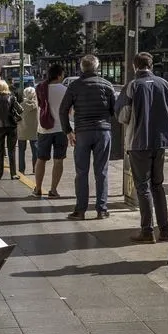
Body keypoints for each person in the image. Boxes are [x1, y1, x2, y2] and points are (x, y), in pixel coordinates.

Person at [115, 52, 168, 243]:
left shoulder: (132, 86)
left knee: (143, 187)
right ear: (151, 65)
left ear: (135, 66)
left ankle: (147, 230)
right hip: (160, 142)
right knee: (157, 185)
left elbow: (122, 116)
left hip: (139, 143)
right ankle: (165, 230)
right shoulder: (164, 84)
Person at [59, 55, 116, 220]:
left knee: (81, 172)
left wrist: (68, 131)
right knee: (102, 171)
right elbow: (114, 109)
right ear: (96, 68)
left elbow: (63, 110)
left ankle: (80, 210)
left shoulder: (75, 86)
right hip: (103, 131)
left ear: (81, 68)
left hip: (82, 132)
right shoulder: (107, 85)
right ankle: (102, 209)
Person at [34, 64, 68, 199]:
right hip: (61, 129)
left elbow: (39, 106)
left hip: (44, 129)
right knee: (58, 160)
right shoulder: (65, 90)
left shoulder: (40, 88)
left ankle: (38, 189)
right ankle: (53, 190)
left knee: (41, 159)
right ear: (59, 75)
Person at [17, 86, 39, 175]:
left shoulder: (21, 105)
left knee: (21, 151)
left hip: (22, 129)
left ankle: (21, 169)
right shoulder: (37, 105)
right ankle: (35, 169)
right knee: (35, 151)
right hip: (34, 130)